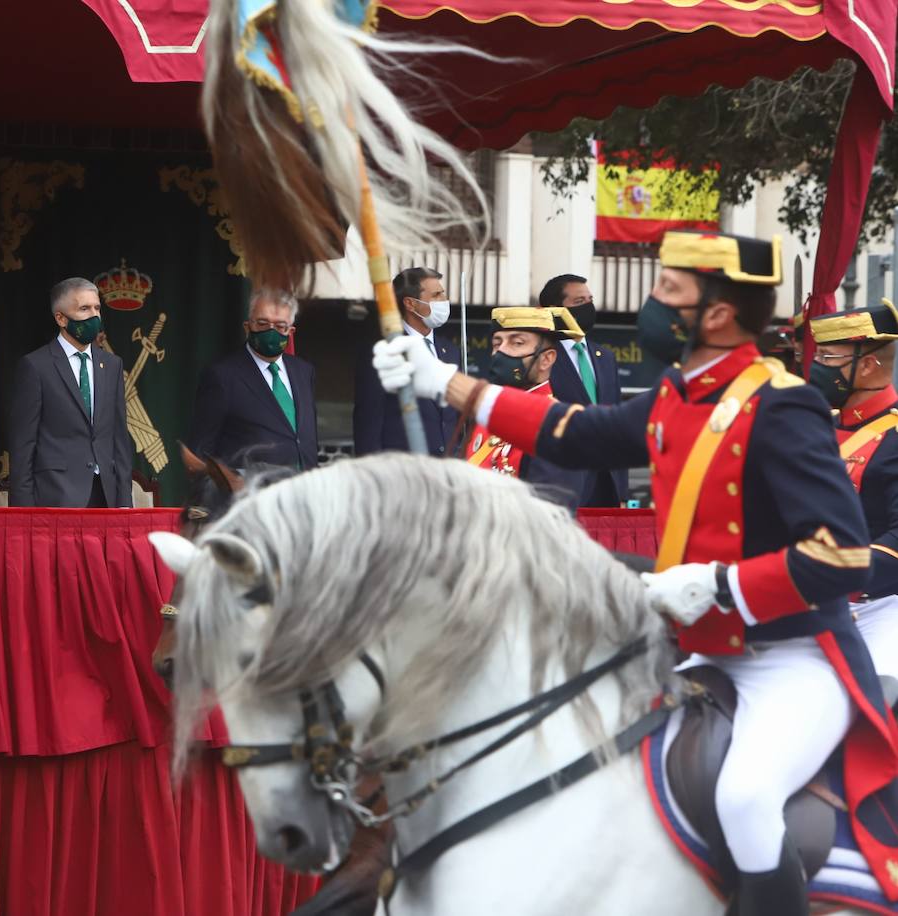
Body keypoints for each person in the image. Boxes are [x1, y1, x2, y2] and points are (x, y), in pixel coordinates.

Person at [375, 230, 898, 914]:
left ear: (716, 313)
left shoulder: (784, 403)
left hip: (792, 657)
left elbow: (840, 555)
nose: (651, 303)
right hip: (697, 649)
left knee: (745, 798)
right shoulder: (677, 394)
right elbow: (572, 431)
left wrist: (720, 586)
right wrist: (445, 382)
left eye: (668, 291)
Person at [809, 301, 898, 678]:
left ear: (867, 365)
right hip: (806, 600)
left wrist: (841, 571)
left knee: (881, 695)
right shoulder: (813, 427)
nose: (818, 367)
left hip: (880, 605)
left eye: (829, 357)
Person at [9, 277, 133, 508]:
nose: (94, 316)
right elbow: (23, 445)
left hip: (106, 496)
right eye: (84, 308)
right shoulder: (36, 366)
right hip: (56, 496)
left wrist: (125, 501)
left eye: (97, 307)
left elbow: (119, 437)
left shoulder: (112, 364)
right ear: (61, 318)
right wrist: (23, 511)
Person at [466, 306, 587, 511]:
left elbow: (550, 513)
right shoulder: (484, 416)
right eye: (497, 343)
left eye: (517, 343)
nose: (501, 351)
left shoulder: (556, 424)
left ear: (546, 359)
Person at [187, 288, 318, 470]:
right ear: (247, 326)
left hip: (305, 491)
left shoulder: (304, 371)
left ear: (290, 331)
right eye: (263, 323)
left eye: (280, 326)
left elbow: (304, 438)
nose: (271, 332)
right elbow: (200, 454)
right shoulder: (222, 376)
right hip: (251, 494)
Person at [539, 273, 627, 507]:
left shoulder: (605, 357)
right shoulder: (542, 358)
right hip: (563, 483)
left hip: (607, 482)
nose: (588, 306)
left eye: (590, 300)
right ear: (554, 309)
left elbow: (616, 420)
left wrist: (622, 486)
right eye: (579, 302)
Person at [353, 267, 458, 456]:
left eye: (443, 294)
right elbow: (369, 420)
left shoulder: (450, 351)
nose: (444, 301)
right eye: (436, 295)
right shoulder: (385, 351)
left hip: (447, 469)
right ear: (410, 303)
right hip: (404, 469)